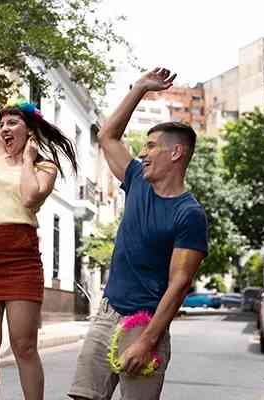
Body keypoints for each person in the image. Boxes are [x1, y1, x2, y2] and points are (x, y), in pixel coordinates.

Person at [68, 68, 209, 400]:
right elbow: (107, 137)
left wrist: (148, 340)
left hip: (145, 324)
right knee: (82, 396)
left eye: (151, 146)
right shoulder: (136, 180)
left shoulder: (190, 214)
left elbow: (179, 285)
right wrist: (140, 90)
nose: (142, 153)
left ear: (175, 154)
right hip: (107, 311)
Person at [0, 49, 78, 400]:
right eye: (2, 122)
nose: (4, 127)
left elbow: (28, 198)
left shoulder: (45, 168)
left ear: (29, 129)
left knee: (24, 346)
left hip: (20, 256)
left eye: (12, 122)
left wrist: (27, 158)